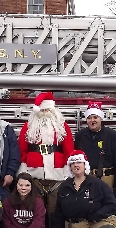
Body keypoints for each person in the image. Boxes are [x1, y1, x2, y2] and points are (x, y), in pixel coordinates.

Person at [17, 91, 74, 219]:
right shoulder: (28, 126)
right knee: (35, 209)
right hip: (34, 175)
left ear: (52, 110)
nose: (44, 113)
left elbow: (69, 150)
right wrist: (23, 171)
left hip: (57, 176)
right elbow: (22, 149)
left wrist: (67, 171)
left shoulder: (62, 127)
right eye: (42, 110)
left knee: (55, 210)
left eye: (47, 110)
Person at [74, 100, 116, 191]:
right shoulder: (80, 136)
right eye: (89, 118)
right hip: (85, 180)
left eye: (95, 117)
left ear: (101, 118)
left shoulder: (111, 135)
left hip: (106, 180)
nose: (92, 120)